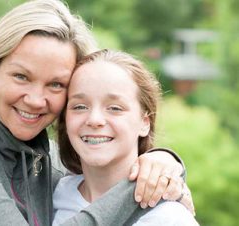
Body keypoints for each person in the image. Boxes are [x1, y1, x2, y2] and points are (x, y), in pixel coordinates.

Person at [0, 0, 192, 225]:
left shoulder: (43, 158)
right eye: (21, 77)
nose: (36, 100)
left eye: (55, 84)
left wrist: (163, 163)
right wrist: (137, 190)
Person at [53, 49, 198, 225]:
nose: (94, 120)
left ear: (145, 122)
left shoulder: (167, 217)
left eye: (115, 108)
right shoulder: (54, 194)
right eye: (80, 106)